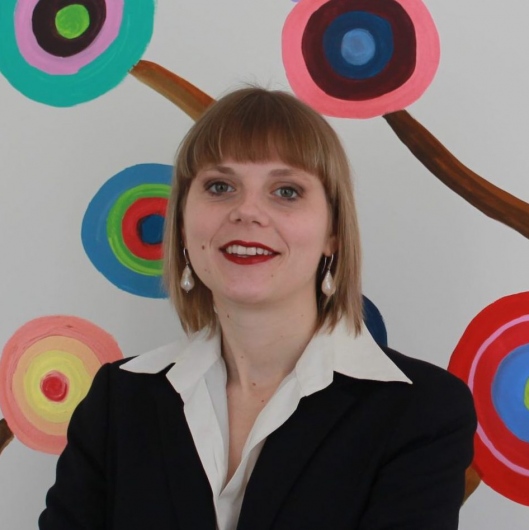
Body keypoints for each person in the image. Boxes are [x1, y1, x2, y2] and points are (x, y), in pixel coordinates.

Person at [39, 88, 476, 529]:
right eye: (220, 186)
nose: (247, 212)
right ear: (183, 224)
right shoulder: (116, 400)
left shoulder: (423, 411)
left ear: (333, 233)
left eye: (286, 191)